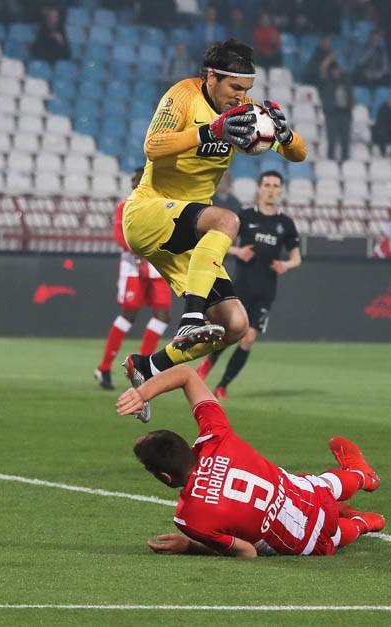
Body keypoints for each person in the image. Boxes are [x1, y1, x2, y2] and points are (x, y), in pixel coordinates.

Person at [120, 38, 307, 412]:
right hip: (148, 212)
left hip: (188, 232)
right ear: (210, 77)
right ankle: (190, 316)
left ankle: (147, 365)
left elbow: (298, 155)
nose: (241, 97)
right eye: (235, 87)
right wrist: (211, 131)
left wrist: (285, 137)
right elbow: (152, 147)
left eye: (247, 89)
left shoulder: (245, 114)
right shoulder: (184, 95)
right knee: (227, 218)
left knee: (235, 324)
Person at [116, 364, 385, 556]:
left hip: (306, 541)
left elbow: (246, 553)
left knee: (333, 535)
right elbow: (187, 374)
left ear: (165, 478)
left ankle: (364, 524)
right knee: (323, 484)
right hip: (311, 495)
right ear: (188, 446)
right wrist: (141, 394)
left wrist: (189, 547)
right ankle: (362, 477)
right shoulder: (215, 437)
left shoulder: (188, 519)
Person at [196, 171, 301, 399]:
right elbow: (218, 240)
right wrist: (237, 251)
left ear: (280, 190)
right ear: (259, 188)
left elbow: (297, 257)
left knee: (249, 338)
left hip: (266, 291)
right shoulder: (244, 216)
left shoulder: (285, 223)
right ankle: (205, 367)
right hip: (240, 288)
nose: (271, 189)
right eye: (267, 185)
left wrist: (286, 265)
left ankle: (222, 385)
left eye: (275, 185)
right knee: (230, 331)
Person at [95, 169, 172, 390]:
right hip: (133, 268)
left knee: (163, 315)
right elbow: (121, 237)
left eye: (142, 181)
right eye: (135, 181)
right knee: (129, 314)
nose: (138, 184)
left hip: (157, 266)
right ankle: (104, 367)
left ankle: (143, 368)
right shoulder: (124, 206)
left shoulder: (161, 204)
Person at [317, 59, 353, 162]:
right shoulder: (326, 83)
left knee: (345, 140)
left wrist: (350, 105)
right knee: (332, 140)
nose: (335, 72)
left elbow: (350, 95)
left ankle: (346, 162)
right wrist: (326, 64)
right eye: (333, 70)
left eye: (337, 70)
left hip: (345, 114)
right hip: (332, 114)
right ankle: (330, 162)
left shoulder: (345, 82)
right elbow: (322, 74)